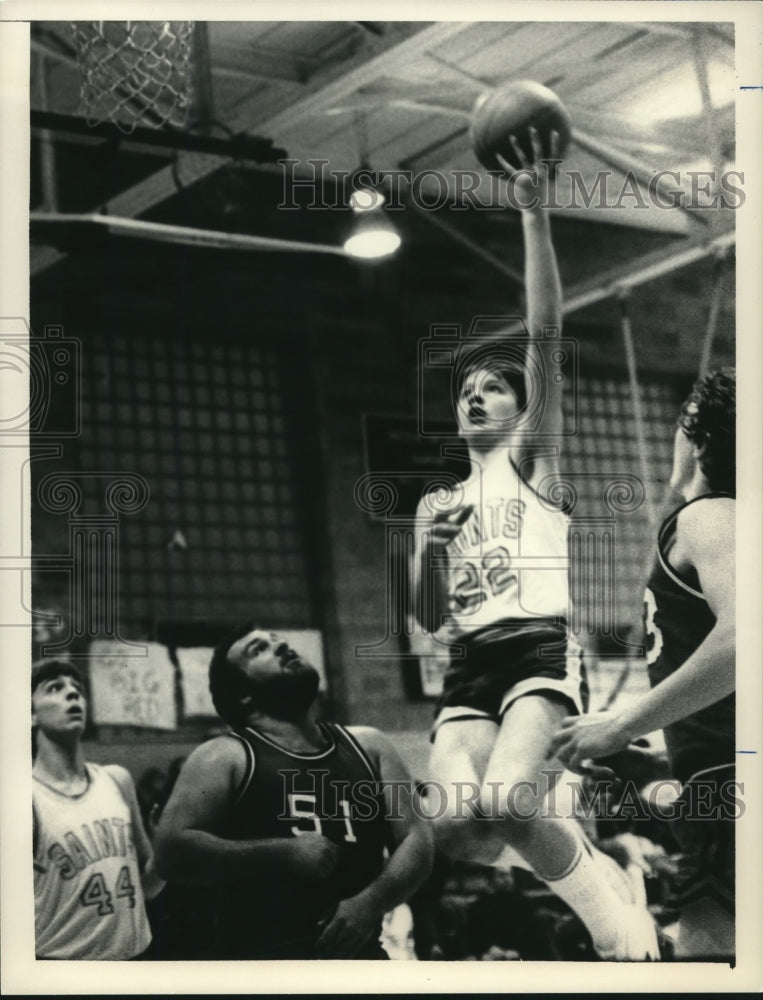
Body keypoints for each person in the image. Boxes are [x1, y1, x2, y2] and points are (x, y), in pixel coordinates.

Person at [412, 128, 659, 960]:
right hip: (465, 665)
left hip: (536, 649)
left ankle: (617, 919)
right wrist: (424, 553)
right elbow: (423, 614)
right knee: (457, 833)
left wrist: (533, 215)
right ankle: (569, 832)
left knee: (512, 804)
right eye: (468, 389)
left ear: (522, 411)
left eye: (494, 387)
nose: (477, 395)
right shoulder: (436, 502)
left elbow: (544, 334)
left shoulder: (531, 462)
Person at [549, 368, 736, 959]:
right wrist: (660, 753)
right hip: (721, 769)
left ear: (697, 436)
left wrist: (620, 724)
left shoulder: (711, 517)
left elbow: (742, 643)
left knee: (710, 957)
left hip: (731, 780)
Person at [154, 625, 433, 959]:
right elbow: (171, 853)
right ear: (244, 694)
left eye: (279, 640)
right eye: (258, 650)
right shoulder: (223, 755)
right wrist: (281, 852)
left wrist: (369, 904)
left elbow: (417, 838)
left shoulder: (369, 745)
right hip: (264, 966)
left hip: (362, 956)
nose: (282, 646)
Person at [32, 659, 163, 959]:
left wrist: (163, 851)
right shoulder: (25, 798)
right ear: (30, 714)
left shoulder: (117, 779)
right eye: (55, 688)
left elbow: (149, 888)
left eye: (77, 689)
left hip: (136, 959)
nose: (72, 694)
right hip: (65, 972)